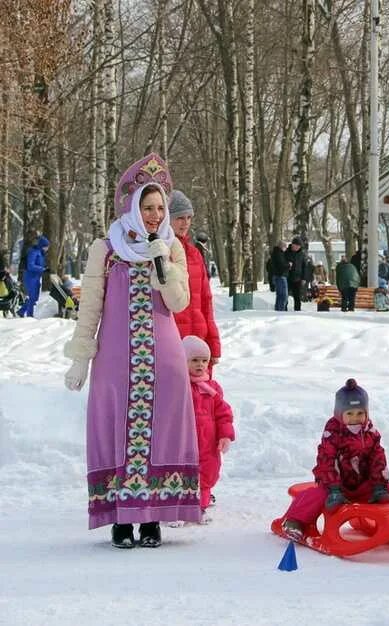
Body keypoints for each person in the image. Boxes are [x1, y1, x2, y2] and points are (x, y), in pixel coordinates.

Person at [62, 153, 200, 548]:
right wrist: (80, 357)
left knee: (161, 431)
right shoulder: (106, 248)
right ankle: (121, 518)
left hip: (164, 357)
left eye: (160, 208)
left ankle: (153, 516)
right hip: (115, 356)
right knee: (115, 427)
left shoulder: (171, 249)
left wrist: (165, 268)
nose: (156, 215)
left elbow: (178, 304)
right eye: (148, 207)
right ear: (132, 206)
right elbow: (90, 305)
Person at [279, 379, 389, 542]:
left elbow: (378, 459)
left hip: (364, 487)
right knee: (317, 494)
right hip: (337, 489)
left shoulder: (371, 434)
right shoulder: (333, 434)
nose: (355, 418)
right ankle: (294, 522)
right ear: (340, 414)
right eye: (350, 414)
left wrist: (379, 485)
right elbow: (326, 461)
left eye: (360, 413)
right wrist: (333, 488)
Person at [182, 335, 234, 520]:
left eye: (204, 360)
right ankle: (180, 508)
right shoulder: (179, 386)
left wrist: (225, 436)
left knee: (206, 474)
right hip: (184, 442)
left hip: (208, 443)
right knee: (182, 474)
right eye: (194, 360)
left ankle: (200, 508)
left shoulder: (212, 388)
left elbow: (223, 414)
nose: (200, 365)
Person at [169, 190, 222, 372]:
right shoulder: (159, 253)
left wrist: (213, 343)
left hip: (198, 337)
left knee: (201, 397)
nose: (185, 223)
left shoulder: (195, 254)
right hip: (172, 338)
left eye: (188, 217)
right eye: (179, 218)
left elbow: (206, 301)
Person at [17, 234, 49, 317]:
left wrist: (45, 268)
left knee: (35, 298)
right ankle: (30, 316)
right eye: (45, 246)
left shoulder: (41, 253)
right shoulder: (33, 252)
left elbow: (39, 264)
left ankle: (21, 311)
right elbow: (30, 266)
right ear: (41, 245)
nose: (47, 248)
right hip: (29, 277)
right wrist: (42, 269)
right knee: (32, 297)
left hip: (36, 277)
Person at [284, 237, 307, 311]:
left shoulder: (302, 254)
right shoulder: (286, 252)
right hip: (287, 277)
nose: (297, 247)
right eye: (295, 246)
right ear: (292, 245)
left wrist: (303, 278)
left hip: (298, 278)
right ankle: (284, 309)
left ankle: (297, 310)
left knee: (297, 296)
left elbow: (304, 266)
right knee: (285, 295)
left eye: (298, 246)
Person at [270, 241, 289, 311]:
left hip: (278, 275)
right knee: (283, 295)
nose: (286, 249)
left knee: (279, 295)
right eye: (285, 247)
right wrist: (289, 265)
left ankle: (278, 310)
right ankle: (281, 310)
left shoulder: (276, 253)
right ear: (282, 247)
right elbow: (281, 265)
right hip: (280, 276)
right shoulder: (278, 253)